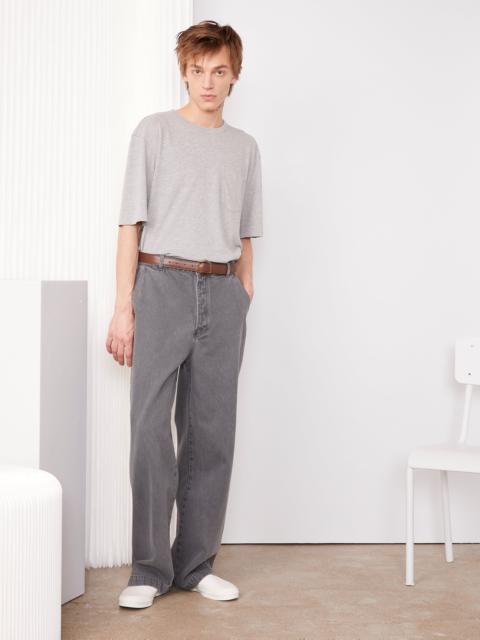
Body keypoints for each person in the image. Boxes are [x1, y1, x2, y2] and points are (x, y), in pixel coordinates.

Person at [105, 20, 263, 609]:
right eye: (198, 71)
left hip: (222, 290)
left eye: (219, 71)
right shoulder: (155, 132)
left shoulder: (245, 148)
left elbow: (246, 231)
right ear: (185, 73)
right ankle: (149, 570)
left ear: (234, 75)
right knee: (150, 430)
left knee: (211, 433)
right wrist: (124, 306)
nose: (208, 82)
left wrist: (244, 290)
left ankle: (196, 565)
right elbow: (130, 223)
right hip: (161, 283)